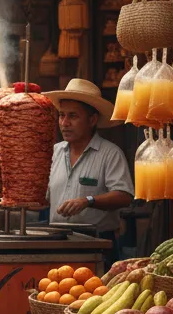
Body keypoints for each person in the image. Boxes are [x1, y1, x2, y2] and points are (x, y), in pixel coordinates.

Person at [43, 79, 134, 256]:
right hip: (57, 242)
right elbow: (43, 198)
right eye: (62, 115)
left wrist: (88, 201)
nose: (65, 123)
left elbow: (124, 196)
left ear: (92, 120)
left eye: (73, 116)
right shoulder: (53, 153)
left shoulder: (110, 153)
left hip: (97, 245)